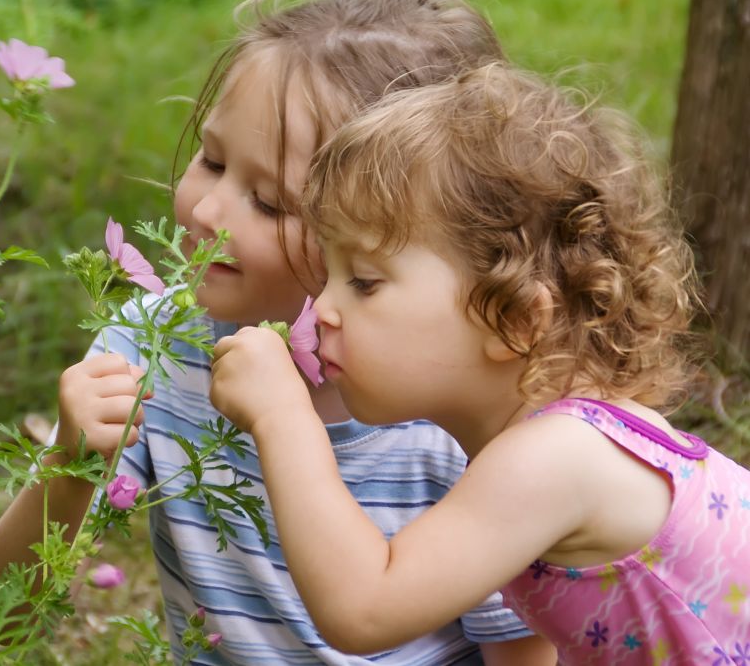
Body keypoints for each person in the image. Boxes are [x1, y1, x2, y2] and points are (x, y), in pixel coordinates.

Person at [0, 0, 555, 665]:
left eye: (272, 204)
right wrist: (70, 467)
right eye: (212, 159)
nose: (209, 212)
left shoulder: (455, 418)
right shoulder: (155, 351)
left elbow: (520, 653)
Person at [210, 62, 750, 664]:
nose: (322, 310)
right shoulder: (563, 438)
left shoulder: (558, 456)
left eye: (363, 282)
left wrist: (284, 417)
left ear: (513, 320)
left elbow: (364, 609)